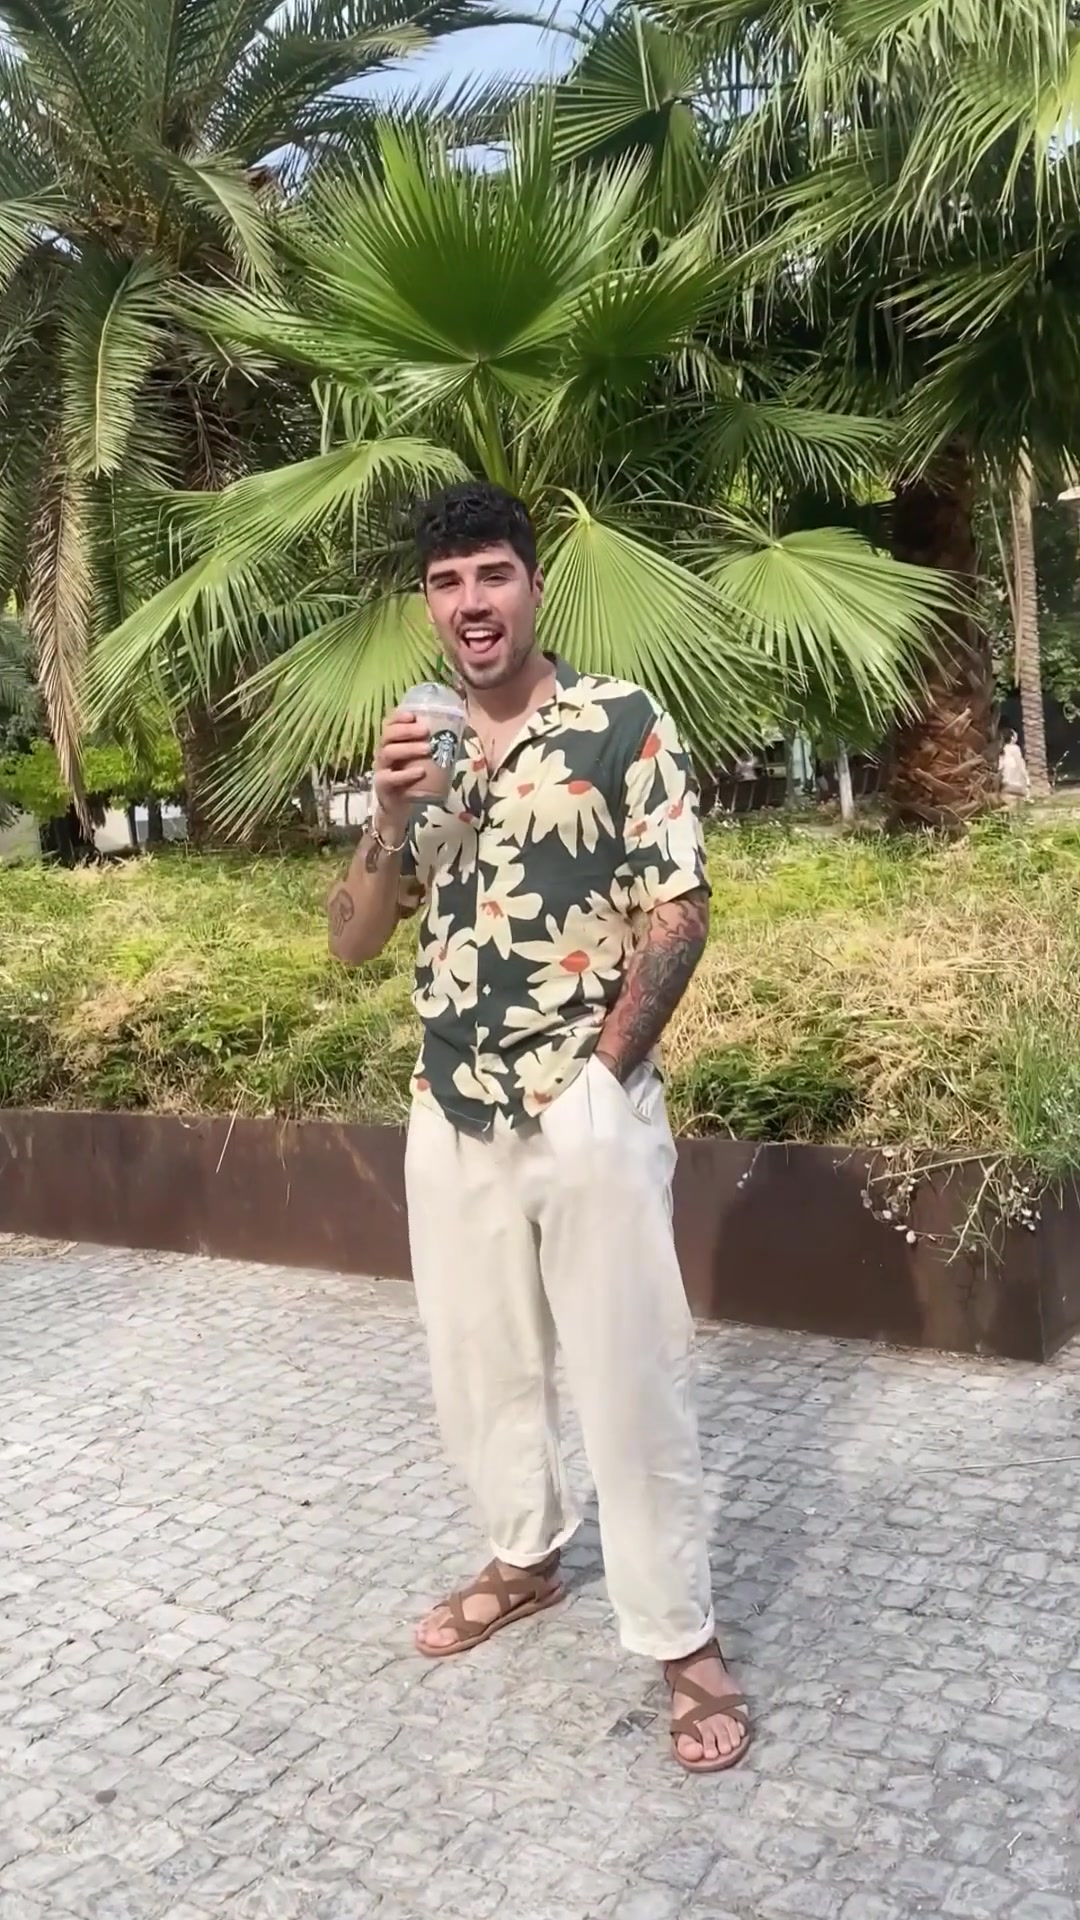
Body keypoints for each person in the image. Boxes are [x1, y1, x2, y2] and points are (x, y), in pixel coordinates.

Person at [327, 481, 750, 1776]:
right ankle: (523, 1557)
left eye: (492, 574)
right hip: (449, 1105)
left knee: (629, 1378)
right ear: (429, 602)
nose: (472, 603)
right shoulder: (426, 743)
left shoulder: (618, 720)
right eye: (448, 582)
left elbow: (679, 910)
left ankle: (681, 1638)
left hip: (582, 1100)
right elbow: (351, 944)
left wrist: (602, 1082)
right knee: (480, 1364)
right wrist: (385, 818)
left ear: (532, 584)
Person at [999, 729, 1031, 809]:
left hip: (1004, 783)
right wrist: (1027, 780)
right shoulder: (1014, 748)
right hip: (1015, 782)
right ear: (1012, 738)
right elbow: (1020, 764)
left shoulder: (1001, 748)